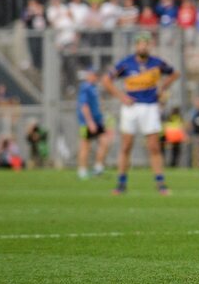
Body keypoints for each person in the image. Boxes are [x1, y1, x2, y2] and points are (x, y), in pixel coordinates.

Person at [102, 31, 179, 194]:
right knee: (126, 146)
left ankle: (160, 183)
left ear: (149, 45)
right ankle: (121, 183)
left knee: (154, 147)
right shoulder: (126, 63)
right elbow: (106, 80)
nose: (143, 46)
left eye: (146, 43)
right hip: (131, 108)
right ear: (136, 46)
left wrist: (163, 87)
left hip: (150, 107)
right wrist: (121, 97)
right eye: (140, 43)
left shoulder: (157, 63)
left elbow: (174, 73)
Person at [76, 67, 110, 179]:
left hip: (97, 121)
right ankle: (82, 170)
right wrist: (90, 122)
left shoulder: (94, 88)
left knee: (105, 142)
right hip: (86, 122)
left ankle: (98, 167)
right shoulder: (85, 88)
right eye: (94, 75)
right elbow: (84, 106)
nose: (96, 77)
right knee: (85, 145)